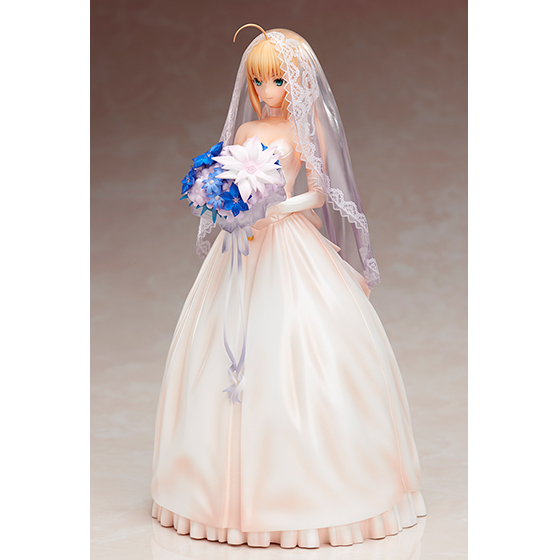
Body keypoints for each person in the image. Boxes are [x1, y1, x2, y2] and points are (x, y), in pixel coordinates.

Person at [151, 25, 426, 549]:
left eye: (277, 80)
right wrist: (227, 201)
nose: (267, 90)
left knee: (302, 343)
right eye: (259, 81)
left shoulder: (308, 126)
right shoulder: (245, 128)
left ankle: (314, 491)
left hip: (287, 237)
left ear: (296, 81)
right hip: (242, 245)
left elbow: (321, 193)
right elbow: (230, 178)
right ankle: (212, 490)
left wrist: (278, 208)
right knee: (221, 344)